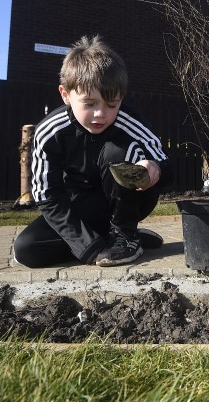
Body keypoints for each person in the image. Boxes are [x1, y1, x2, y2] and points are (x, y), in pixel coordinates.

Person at [13, 35, 173, 268]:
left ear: (121, 99)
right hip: (81, 206)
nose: (101, 114)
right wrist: (88, 247)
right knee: (27, 250)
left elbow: (167, 165)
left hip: (130, 201)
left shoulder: (129, 122)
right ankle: (111, 239)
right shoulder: (50, 131)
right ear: (65, 95)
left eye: (111, 104)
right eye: (89, 104)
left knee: (115, 152)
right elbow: (48, 196)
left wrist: (155, 167)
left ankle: (125, 236)